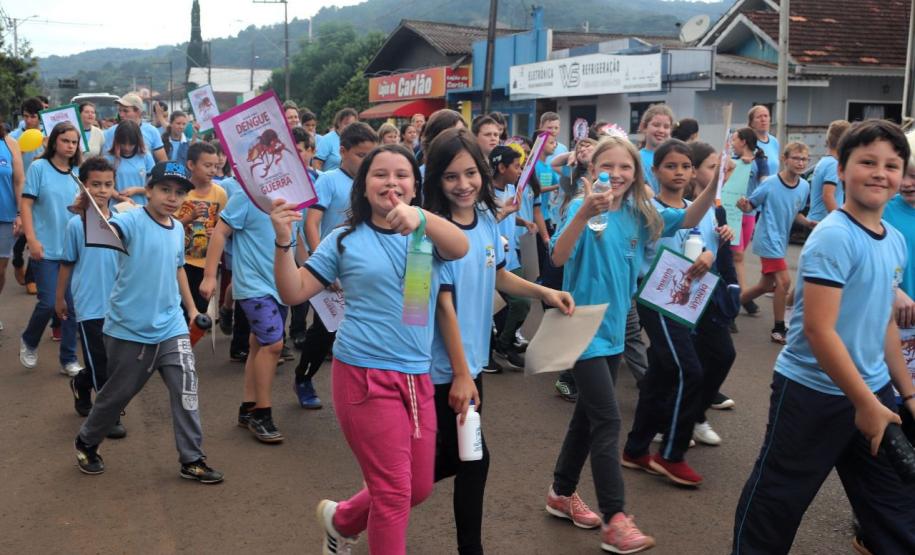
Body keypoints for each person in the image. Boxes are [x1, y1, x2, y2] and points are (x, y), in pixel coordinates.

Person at [270, 143, 469, 554]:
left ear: (415, 186)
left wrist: (422, 219)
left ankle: (341, 520)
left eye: (402, 174)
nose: (391, 182)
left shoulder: (427, 234)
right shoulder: (343, 240)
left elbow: (461, 247)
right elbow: (293, 292)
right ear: (363, 185)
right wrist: (283, 242)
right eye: (380, 174)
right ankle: (346, 523)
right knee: (394, 493)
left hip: (417, 376)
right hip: (362, 375)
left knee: (417, 488)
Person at [732, 119, 915, 555]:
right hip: (812, 394)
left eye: (892, 165)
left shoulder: (893, 240)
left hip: (874, 392)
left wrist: (905, 395)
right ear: (840, 167)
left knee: (895, 508)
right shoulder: (834, 236)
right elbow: (817, 329)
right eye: (867, 161)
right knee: (778, 500)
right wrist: (866, 404)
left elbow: (883, 324)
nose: (880, 172)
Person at [547, 135, 714, 553]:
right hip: (580, 329)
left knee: (586, 419)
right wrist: (584, 212)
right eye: (608, 167)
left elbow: (688, 216)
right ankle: (615, 519)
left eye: (626, 168)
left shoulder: (642, 213)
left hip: (617, 329)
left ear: (635, 174)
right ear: (592, 170)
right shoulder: (581, 208)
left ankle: (560, 493)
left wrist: (713, 186)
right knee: (607, 422)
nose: (617, 175)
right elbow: (557, 258)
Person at [422, 128, 574, 554]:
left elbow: (498, 275)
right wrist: (459, 375)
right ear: (436, 180)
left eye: (471, 173)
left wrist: (545, 292)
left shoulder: (488, 220)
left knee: (455, 461)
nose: (464, 184)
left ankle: (363, 505)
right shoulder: (431, 230)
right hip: (441, 370)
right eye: (451, 177)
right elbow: (442, 306)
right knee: (470, 460)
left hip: (469, 366)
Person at [73, 160, 223, 484]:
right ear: (150, 190)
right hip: (129, 329)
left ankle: (192, 459)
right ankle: (87, 441)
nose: (171, 197)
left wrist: (190, 308)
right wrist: (90, 208)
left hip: (171, 326)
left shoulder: (175, 229)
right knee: (117, 395)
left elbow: (178, 267)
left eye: (179, 192)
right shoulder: (131, 221)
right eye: (165, 190)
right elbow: (108, 229)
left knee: (186, 389)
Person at [621, 139, 728, 488]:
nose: (679, 172)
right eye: (671, 166)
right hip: (657, 298)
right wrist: (715, 183)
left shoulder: (690, 208)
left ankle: (636, 448)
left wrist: (709, 256)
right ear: (654, 170)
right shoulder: (648, 207)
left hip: (686, 301)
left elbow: (702, 243)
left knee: (662, 373)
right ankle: (671, 453)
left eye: (685, 166)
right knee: (688, 369)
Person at [199, 172, 288, 443]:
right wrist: (210, 275)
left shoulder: (295, 198)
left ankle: (248, 408)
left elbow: (298, 243)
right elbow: (220, 232)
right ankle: (262, 413)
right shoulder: (247, 195)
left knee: (259, 345)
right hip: (252, 285)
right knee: (274, 345)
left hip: (282, 284)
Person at [298, 122, 379, 408]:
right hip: (330, 269)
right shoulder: (329, 180)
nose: (366, 161)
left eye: (371, 155)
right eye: (360, 155)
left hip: (363, 271)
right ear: (342, 151)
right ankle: (304, 378)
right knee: (324, 331)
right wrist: (324, 268)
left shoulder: (374, 181)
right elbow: (311, 223)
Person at [56, 156, 125, 438]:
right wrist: (59, 299)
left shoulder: (124, 221)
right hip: (89, 305)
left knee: (118, 360)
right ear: (83, 186)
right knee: (100, 359)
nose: (101, 190)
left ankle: (82, 383)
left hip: (120, 304)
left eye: (107, 184)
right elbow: (67, 263)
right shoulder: (76, 225)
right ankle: (109, 413)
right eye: (95, 184)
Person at [18, 122, 83, 377]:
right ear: (54, 141)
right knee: (47, 303)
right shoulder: (39, 168)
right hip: (45, 248)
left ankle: (68, 359)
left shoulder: (77, 172)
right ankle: (29, 340)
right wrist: (31, 239)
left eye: (74, 142)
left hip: (72, 250)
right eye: (65, 140)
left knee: (70, 307)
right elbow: (26, 204)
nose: (70, 146)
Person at [737, 142, 816, 344]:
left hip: (782, 241)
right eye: (796, 158)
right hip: (767, 239)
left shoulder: (805, 186)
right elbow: (750, 206)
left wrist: (808, 222)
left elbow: (796, 212)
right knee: (784, 282)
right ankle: (779, 328)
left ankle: (727, 306)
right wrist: (744, 205)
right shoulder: (770, 183)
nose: (800, 163)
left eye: (804, 159)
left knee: (765, 286)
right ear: (784, 159)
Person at [488, 146, 531, 370]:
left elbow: (510, 218)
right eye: (516, 166)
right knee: (497, 308)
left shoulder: (514, 189)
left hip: (511, 259)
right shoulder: (484, 193)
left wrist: (525, 222)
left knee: (522, 304)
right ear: (501, 167)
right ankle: (495, 350)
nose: (520, 170)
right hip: (489, 261)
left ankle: (504, 344)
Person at [174, 142, 227, 315]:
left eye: (215, 166)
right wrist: (189, 218)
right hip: (182, 262)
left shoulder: (220, 193)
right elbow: (169, 226)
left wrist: (217, 231)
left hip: (207, 264)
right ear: (191, 165)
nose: (212, 170)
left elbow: (223, 224)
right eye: (207, 165)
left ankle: (190, 342)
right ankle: (179, 341)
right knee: (181, 309)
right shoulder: (180, 192)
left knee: (200, 311)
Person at [10, 97, 45, 294]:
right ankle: (16, 261)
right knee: (18, 239)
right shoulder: (14, 137)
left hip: (41, 193)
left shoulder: (47, 136)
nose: (29, 120)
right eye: (25, 116)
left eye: (33, 116)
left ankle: (32, 277)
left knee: (36, 234)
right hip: (21, 192)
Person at [728, 127, 763, 313]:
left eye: (734, 140)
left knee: (739, 256)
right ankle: (742, 298)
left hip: (750, 214)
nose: (732, 143)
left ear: (743, 142)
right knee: (738, 256)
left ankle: (739, 295)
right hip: (732, 213)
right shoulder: (731, 162)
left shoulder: (760, 161)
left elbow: (764, 184)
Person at [0, 115, 24, 331]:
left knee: (0, 269)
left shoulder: (9, 143)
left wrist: (20, 213)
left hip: (4, 216)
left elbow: (18, 180)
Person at [807, 120, 852, 223]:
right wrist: (840, 221)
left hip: (817, 220)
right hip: (823, 221)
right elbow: (828, 196)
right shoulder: (833, 165)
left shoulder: (825, 162)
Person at [103, 93, 167, 162]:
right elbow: (105, 161)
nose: (121, 115)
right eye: (120, 110)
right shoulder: (109, 132)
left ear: (138, 112)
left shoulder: (152, 131)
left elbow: (163, 160)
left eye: (125, 111)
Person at [104, 120, 156, 206]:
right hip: (117, 208)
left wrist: (136, 190)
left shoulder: (145, 156)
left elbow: (154, 185)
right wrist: (120, 197)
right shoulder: (109, 158)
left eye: (131, 144)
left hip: (141, 206)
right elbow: (106, 185)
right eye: (123, 144)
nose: (127, 148)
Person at [638, 104, 675, 192]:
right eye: (656, 125)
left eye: (666, 127)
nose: (661, 130)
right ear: (644, 127)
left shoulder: (675, 158)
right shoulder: (636, 158)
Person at [314, 107, 358, 172]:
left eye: (352, 124)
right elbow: (317, 163)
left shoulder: (356, 140)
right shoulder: (327, 139)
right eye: (346, 124)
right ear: (338, 123)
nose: (350, 127)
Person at [747, 105, 780, 177]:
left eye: (766, 116)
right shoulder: (746, 141)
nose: (763, 119)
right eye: (759, 117)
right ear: (751, 122)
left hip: (771, 186)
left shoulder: (774, 141)